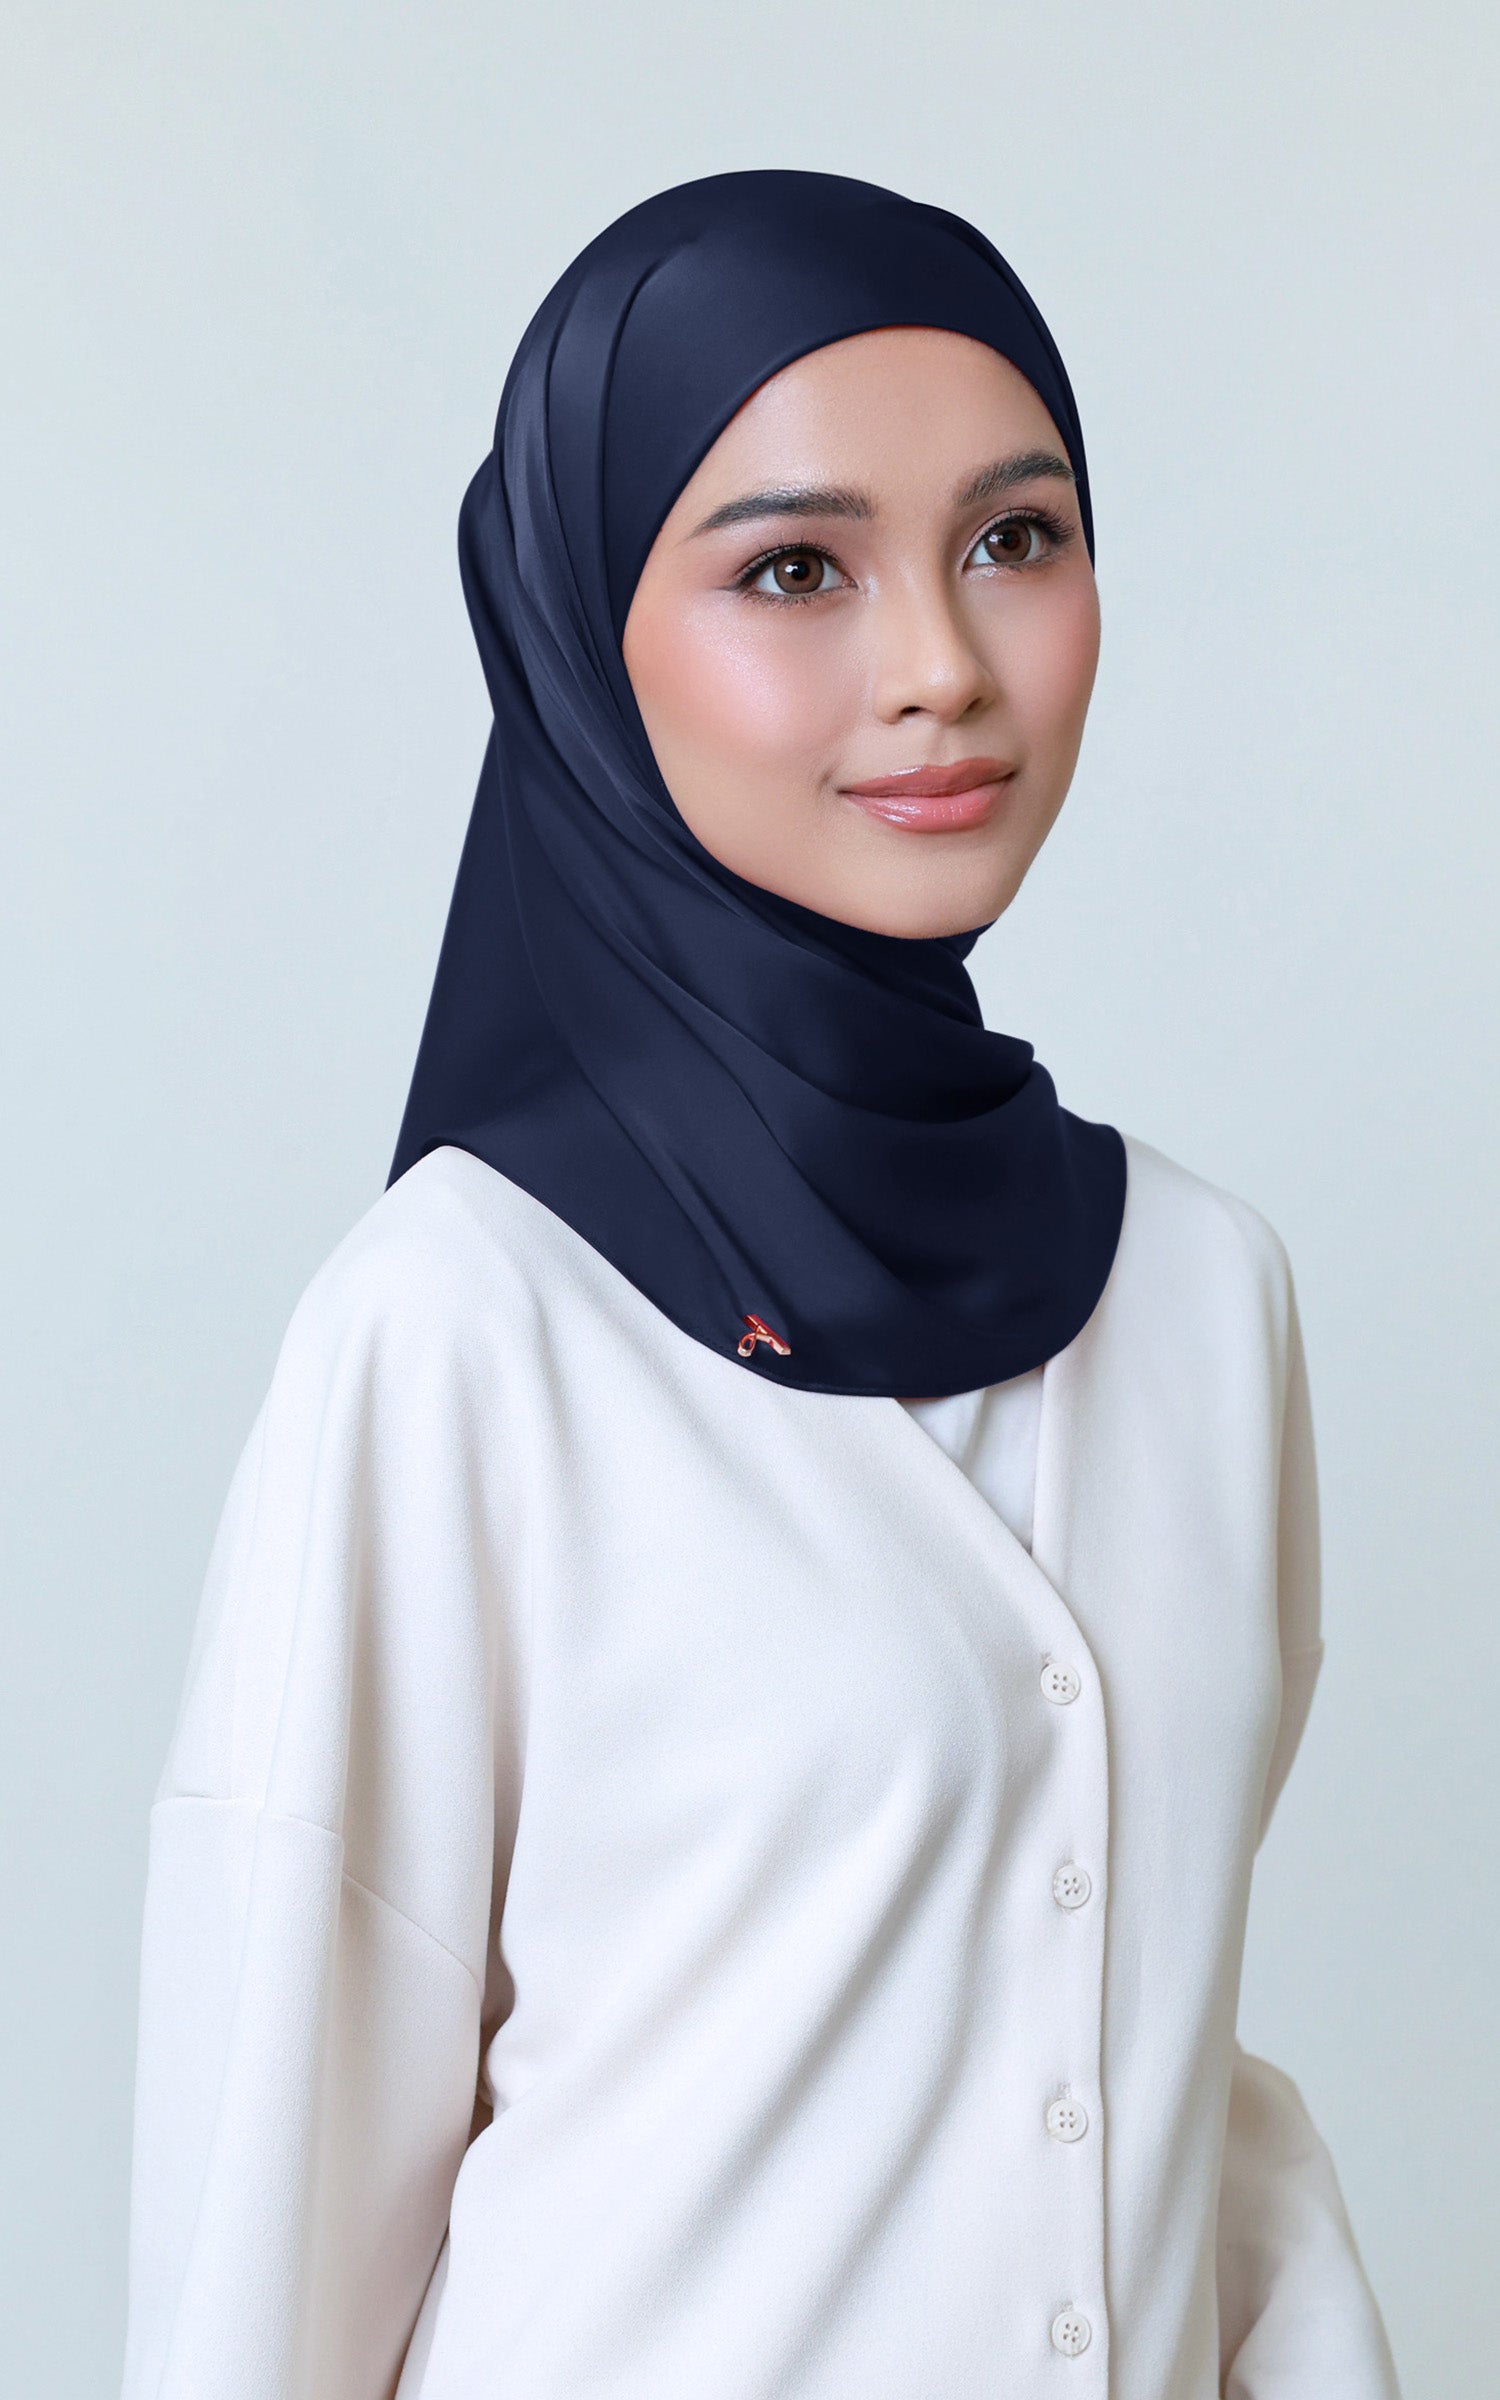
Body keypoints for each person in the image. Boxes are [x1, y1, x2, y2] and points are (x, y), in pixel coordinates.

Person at [119, 169, 1402, 2399]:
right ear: (577, 635)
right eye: (795, 569)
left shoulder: (1205, 1296)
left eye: (1017, 538)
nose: (942, 667)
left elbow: (1134, 2036)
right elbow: (272, 2214)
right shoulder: (462, 1329)